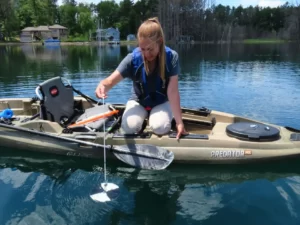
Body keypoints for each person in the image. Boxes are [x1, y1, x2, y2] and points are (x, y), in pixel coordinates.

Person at [95, 17, 187, 139]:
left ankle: (159, 119)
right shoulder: (132, 59)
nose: (146, 54)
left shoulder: (172, 57)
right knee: (129, 128)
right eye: (142, 49)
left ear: (159, 42)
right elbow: (110, 80)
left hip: (162, 101)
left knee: (160, 128)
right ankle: (141, 121)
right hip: (138, 101)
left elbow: (173, 91)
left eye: (150, 49)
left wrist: (180, 123)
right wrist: (103, 86)